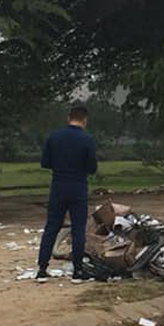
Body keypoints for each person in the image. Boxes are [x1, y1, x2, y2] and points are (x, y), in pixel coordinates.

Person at [36, 105, 98, 282]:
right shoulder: (87, 139)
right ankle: (77, 271)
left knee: (51, 227)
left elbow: (45, 162)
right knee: (78, 228)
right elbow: (92, 168)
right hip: (78, 186)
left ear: (68, 118)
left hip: (58, 186)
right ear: (85, 120)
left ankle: (42, 269)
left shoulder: (54, 137)